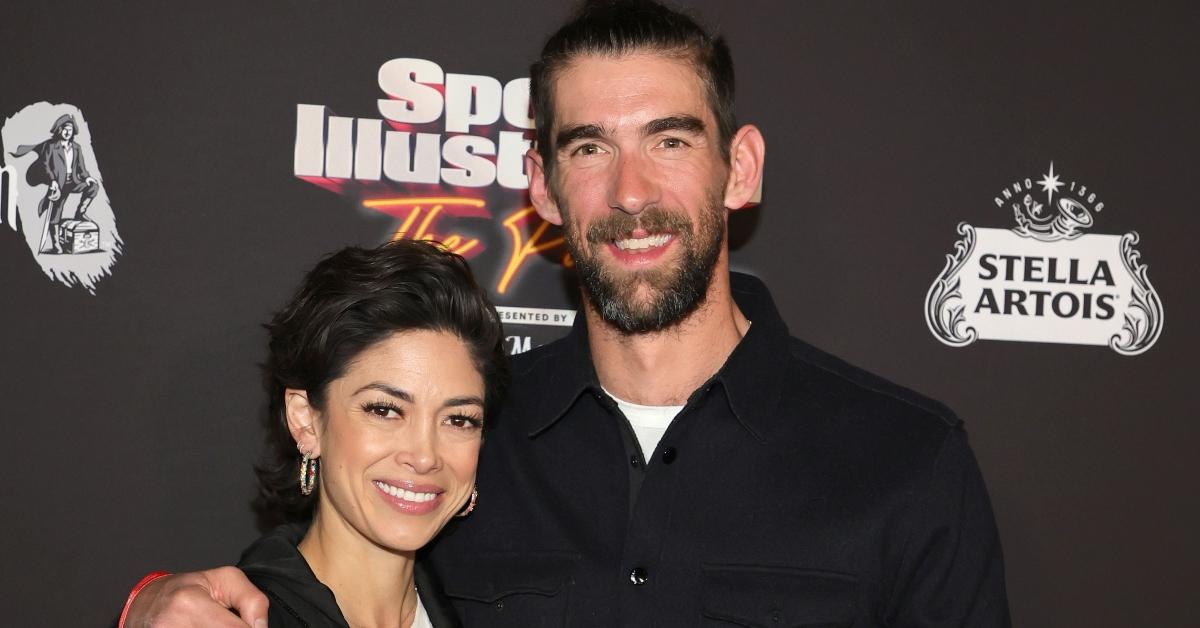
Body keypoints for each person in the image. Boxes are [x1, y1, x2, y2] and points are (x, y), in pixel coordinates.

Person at [121, 1, 1010, 626]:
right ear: (543, 185)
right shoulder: (465, 442)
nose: (630, 193)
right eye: (590, 148)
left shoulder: (905, 462)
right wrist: (156, 597)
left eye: (669, 140)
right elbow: (322, 577)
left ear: (739, 170)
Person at [119, 240, 508, 628]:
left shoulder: (489, 612)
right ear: (306, 421)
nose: (425, 456)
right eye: (385, 410)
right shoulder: (235, 620)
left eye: (458, 420)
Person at [9, 113, 100, 253]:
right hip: (59, 183)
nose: (67, 132)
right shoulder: (51, 146)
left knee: (93, 186)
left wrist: (87, 177)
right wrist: (52, 181)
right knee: (56, 212)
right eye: (64, 128)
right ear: (59, 129)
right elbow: (46, 166)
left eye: (70, 129)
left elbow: (81, 167)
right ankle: (56, 244)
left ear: (73, 131)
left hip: (74, 181)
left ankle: (80, 212)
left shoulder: (77, 147)